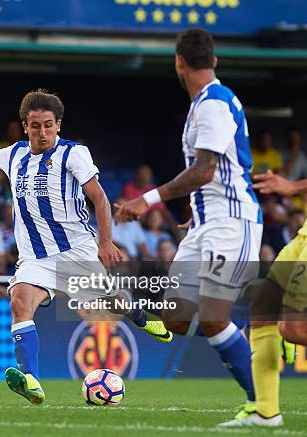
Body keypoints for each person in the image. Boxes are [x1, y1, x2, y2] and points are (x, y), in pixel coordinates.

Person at [0, 89, 171, 405]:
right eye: (35, 126)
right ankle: (32, 380)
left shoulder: (74, 153)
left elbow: (100, 198)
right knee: (19, 302)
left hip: (78, 252)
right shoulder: (16, 155)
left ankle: (143, 317)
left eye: (48, 125)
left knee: (115, 303)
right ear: (25, 126)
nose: (42, 132)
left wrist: (105, 242)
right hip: (35, 258)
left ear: (58, 124)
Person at [115, 28, 263, 425]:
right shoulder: (203, 104)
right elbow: (211, 173)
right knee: (176, 316)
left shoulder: (214, 103)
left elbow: (204, 169)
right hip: (206, 223)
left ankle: (263, 407)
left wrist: (144, 201)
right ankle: (244, 331)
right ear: (212, 59)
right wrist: (197, 210)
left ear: (179, 62)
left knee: (213, 316)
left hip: (232, 221)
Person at [221, 170, 307, 427]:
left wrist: (294, 185)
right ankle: (266, 412)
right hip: (303, 236)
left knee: (293, 329)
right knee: (262, 307)